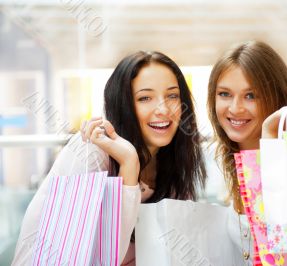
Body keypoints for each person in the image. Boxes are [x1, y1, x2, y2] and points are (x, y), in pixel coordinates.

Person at [12, 51, 207, 266]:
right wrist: (129, 164)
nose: (163, 109)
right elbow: (95, 257)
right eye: (145, 98)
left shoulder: (174, 162)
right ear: (123, 106)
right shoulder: (92, 150)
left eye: (172, 96)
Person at [207, 40, 287, 264]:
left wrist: (270, 135)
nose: (235, 108)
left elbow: (285, 246)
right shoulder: (233, 163)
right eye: (224, 94)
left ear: (275, 97)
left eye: (251, 96)